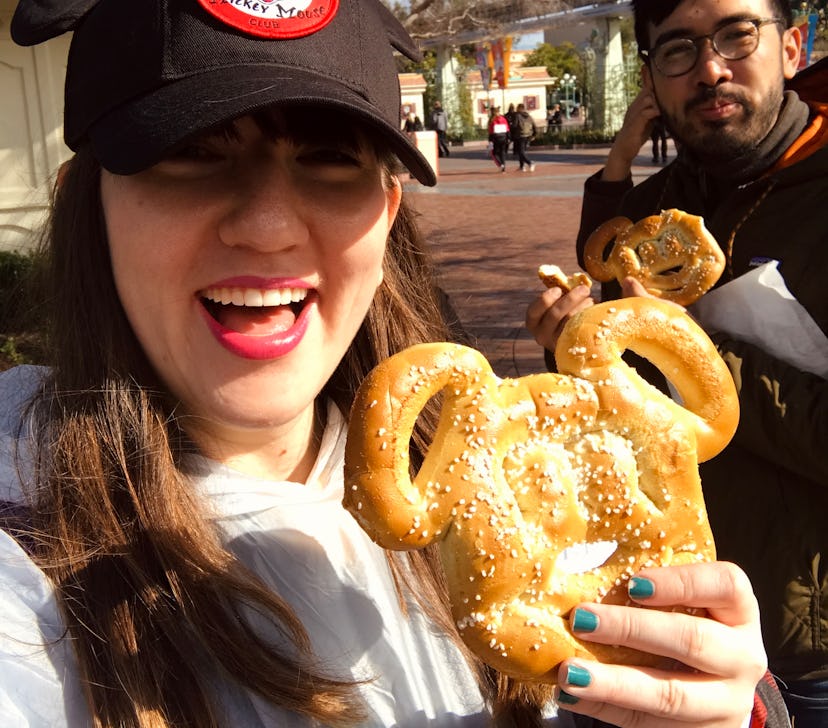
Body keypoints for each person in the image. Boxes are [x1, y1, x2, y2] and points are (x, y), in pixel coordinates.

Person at [0, 1, 790, 727]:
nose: (270, 226)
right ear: (88, 203)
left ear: (385, 216)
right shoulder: (24, 562)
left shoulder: (489, 469)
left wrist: (723, 706)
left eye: (328, 156)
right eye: (192, 151)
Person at [526, 0, 828, 723]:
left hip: (808, 653)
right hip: (660, 623)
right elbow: (623, 410)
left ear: (791, 46)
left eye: (736, 34)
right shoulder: (655, 208)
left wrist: (682, 344)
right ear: (652, 79)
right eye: (678, 50)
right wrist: (574, 348)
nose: (711, 68)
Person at [514, 103, 538, 172]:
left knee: (521, 152)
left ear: (518, 108)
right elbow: (534, 125)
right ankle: (522, 167)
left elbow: (515, 125)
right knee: (522, 151)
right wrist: (534, 135)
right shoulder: (529, 116)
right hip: (528, 135)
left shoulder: (517, 116)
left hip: (521, 135)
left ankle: (530, 163)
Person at [488, 105, 511, 172]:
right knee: (502, 152)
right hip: (504, 138)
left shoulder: (492, 120)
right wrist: (508, 137)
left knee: (494, 153)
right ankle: (503, 167)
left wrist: (490, 140)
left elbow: (491, 132)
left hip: (496, 138)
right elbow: (507, 129)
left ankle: (501, 165)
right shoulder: (503, 119)